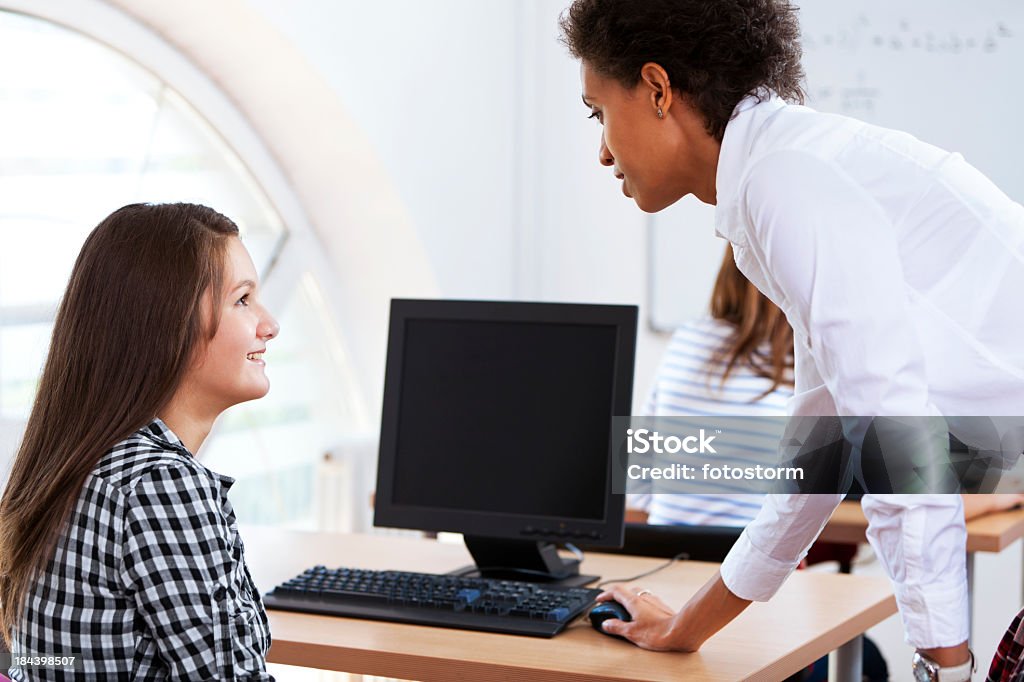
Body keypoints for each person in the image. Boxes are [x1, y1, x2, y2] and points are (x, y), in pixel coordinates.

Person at [559, 0, 1024, 678]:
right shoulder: (781, 173)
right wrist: (687, 628)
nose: (602, 150)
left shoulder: (785, 180)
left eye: (599, 113)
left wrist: (942, 671)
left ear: (657, 90)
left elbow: (897, 439)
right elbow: (821, 452)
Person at [0, 204, 280, 680]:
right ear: (169, 324)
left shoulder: (79, 464)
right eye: (242, 299)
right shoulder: (159, 484)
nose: (269, 324)